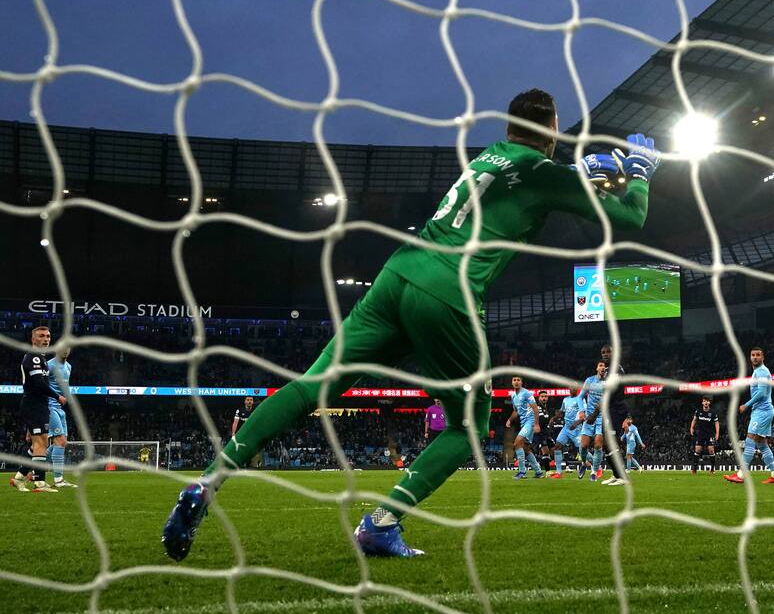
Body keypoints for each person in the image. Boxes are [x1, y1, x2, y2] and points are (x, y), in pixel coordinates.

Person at [162, 88, 658, 560]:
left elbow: (526, 184)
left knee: (311, 386)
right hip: (448, 290)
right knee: (469, 426)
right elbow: (630, 217)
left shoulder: (491, 157)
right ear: (552, 130)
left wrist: (579, 171)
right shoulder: (543, 170)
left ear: (510, 127)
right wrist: (639, 173)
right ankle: (382, 523)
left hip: (396, 276)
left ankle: (206, 482)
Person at [11, 326, 61, 493]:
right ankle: (39, 483)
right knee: (40, 443)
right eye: (41, 336)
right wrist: (57, 396)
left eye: (48, 336)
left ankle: (19, 478)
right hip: (33, 404)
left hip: (40, 405)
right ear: (33, 339)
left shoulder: (41, 358)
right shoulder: (33, 357)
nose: (46, 339)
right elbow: (39, 383)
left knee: (40, 443)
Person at [724, 348, 774, 485]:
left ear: (763, 357)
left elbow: (761, 392)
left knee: (750, 440)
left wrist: (746, 405)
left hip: (762, 411)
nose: (755, 357)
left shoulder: (762, 371)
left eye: (758, 355)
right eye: (753, 355)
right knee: (762, 445)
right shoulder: (759, 371)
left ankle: (740, 475)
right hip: (763, 411)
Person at [598, 343, 630, 487]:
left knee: (610, 442)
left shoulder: (615, 369)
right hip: (609, 409)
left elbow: (611, 391)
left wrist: (594, 413)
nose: (605, 354)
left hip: (616, 408)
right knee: (606, 444)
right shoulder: (608, 370)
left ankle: (622, 476)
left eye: (608, 352)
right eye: (603, 352)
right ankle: (616, 474)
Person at [47, 345, 76, 487]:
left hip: (60, 408)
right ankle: (58, 480)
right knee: (60, 441)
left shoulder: (69, 367)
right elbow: (41, 386)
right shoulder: (49, 365)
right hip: (49, 406)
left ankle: (33, 468)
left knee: (62, 443)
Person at [505, 376, 543, 479]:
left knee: (517, 443)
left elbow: (535, 408)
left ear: (521, 382)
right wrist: (509, 420)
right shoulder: (513, 396)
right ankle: (538, 472)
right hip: (523, 423)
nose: (516, 382)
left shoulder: (527, 393)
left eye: (518, 380)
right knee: (525, 448)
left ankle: (522, 472)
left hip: (530, 421)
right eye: (514, 380)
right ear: (512, 382)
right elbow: (516, 411)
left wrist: (536, 424)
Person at [578, 361, 607, 482]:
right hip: (589, 417)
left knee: (598, 445)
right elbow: (580, 397)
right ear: (597, 368)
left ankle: (594, 472)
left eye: (604, 366)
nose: (603, 367)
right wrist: (581, 411)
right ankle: (584, 463)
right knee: (583, 446)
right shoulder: (589, 381)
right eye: (600, 365)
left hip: (602, 417)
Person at [551, 390, 584, 479]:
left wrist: (576, 423)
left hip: (576, 429)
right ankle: (559, 472)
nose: (572, 389)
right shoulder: (565, 399)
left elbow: (583, 415)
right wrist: (554, 418)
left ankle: (598, 468)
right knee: (557, 446)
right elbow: (561, 411)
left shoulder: (580, 399)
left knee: (582, 450)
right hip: (566, 428)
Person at [690, 397, 719, 474]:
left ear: (709, 403)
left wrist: (717, 433)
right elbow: (694, 420)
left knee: (711, 450)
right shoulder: (698, 411)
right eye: (704, 401)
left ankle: (712, 469)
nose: (706, 402)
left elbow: (716, 423)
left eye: (707, 401)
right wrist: (691, 427)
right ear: (702, 403)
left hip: (710, 434)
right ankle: (694, 469)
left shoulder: (713, 412)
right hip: (700, 434)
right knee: (697, 450)